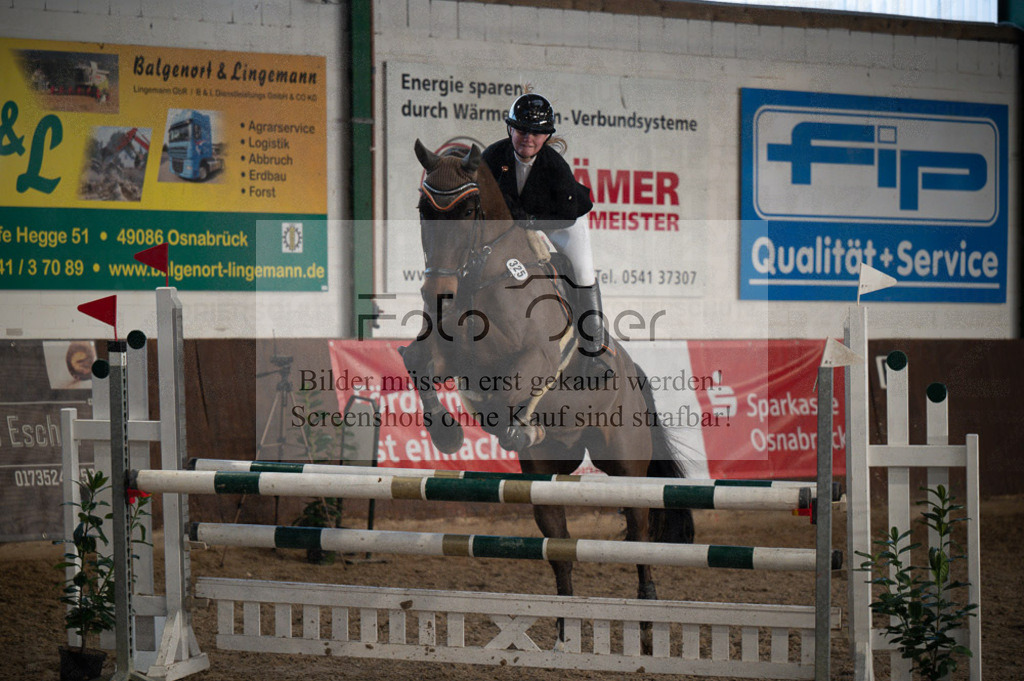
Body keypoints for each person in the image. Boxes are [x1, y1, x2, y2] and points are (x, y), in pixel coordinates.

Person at [482, 93, 610, 368]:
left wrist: (529, 221)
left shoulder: (555, 166)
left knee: (583, 271)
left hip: (562, 221)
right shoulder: (492, 156)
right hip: (514, 223)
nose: (529, 137)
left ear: (546, 136)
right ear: (510, 129)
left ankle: (593, 351)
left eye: (538, 133)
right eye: (523, 130)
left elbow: (564, 215)